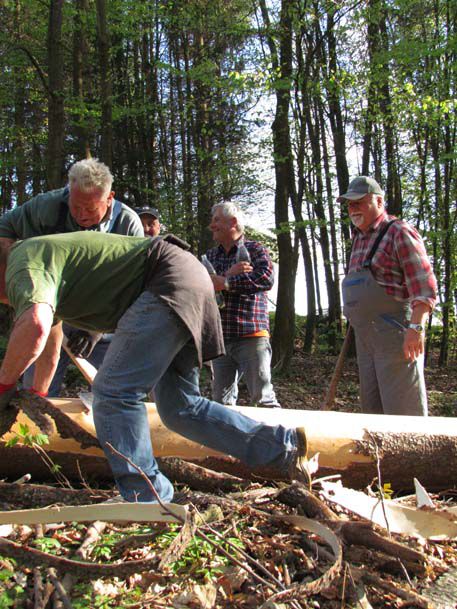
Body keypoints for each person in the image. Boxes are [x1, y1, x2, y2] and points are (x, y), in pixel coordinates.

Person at [0, 233, 308, 502]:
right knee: (180, 408)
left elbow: (36, 326)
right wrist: (35, 396)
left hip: (167, 282)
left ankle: (146, 500)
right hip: (188, 279)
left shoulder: (22, 262)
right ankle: (285, 448)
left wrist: (4, 386)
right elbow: (49, 347)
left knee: (113, 394)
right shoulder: (40, 264)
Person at [0, 158, 143, 396]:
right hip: (49, 306)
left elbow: (134, 287)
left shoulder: (127, 224)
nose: (82, 215)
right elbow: (4, 230)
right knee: (35, 377)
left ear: (109, 198)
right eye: (76, 206)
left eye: (90, 208)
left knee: (112, 389)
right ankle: (34, 411)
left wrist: (93, 331)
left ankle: (108, 423)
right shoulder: (46, 207)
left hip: (100, 314)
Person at [338, 176, 437, 416]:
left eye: (360, 202)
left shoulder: (399, 232)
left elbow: (424, 286)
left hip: (396, 335)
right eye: (350, 204)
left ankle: (414, 455)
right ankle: (380, 455)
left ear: (379, 202)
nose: (354, 209)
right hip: (365, 338)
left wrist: (416, 327)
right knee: (372, 411)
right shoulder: (359, 238)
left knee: (404, 412)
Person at [206, 202, 280, 408]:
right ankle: (225, 440)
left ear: (233, 222)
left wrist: (226, 283)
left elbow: (265, 279)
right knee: (221, 403)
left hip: (251, 336)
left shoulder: (255, 250)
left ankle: (277, 439)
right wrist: (229, 275)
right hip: (221, 339)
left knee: (263, 398)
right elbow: (203, 286)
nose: (211, 225)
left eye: (216, 220)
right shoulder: (210, 256)